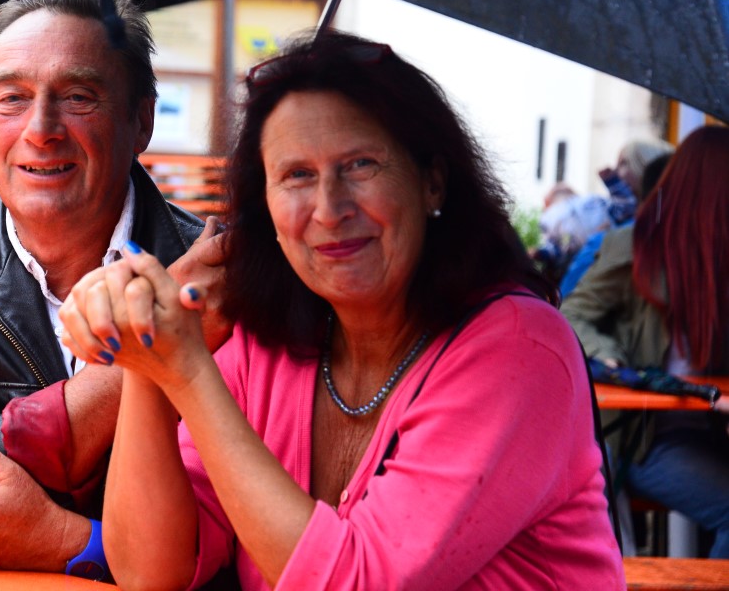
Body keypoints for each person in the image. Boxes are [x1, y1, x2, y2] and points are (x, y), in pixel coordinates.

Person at [60, 31, 625, 589]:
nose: (329, 209)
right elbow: (152, 571)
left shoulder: (518, 348)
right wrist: (149, 358)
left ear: (432, 182)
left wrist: (187, 372)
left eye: (360, 165)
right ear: (266, 208)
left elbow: (357, 582)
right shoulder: (268, 344)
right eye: (297, 175)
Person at [0, 0, 228, 575]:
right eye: (12, 98)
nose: (41, 129)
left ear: (141, 121)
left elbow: (239, 534)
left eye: (79, 97)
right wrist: (167, 338)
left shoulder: (224, 277)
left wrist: (60, 539)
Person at [562, 126, 729, 559]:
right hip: (645, 438)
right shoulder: (637, 246)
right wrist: (610, 358)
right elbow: (571, 316)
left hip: (711, 429)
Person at [558, 139, 674, 297]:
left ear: (648, 166)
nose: (616, 171)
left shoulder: (626, 234)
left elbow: (571, 292)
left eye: (624, 163)